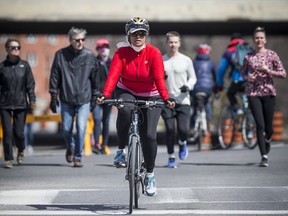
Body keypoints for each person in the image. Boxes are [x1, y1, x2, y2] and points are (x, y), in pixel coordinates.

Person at [97, 17, 175, 196]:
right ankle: (121, 151)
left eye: (142, 33)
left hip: (152, 94)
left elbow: (159, 79)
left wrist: (166, 97)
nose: (138, 36)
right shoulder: (121, 53)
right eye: (134, 33)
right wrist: (105, 94)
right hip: (127, 90)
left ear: (146, 35)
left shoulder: (154, 53)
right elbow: (113, 76)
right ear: (128, 35)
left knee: (148, 135)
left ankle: (150, 174)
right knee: (124, 109)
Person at [49, 27, 100, 168]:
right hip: (66, 99)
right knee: (65, 129)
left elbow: (96, 79)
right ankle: (70, 146)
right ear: (70, 40)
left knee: (81, 127)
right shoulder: (60, 55)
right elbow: (54, 76)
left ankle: (78, 157)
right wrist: (53, 96)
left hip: (84, 99)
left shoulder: (89, 56)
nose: (80, 42)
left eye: (82, 39)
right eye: (77, 40)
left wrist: (95, 96)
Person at [241, 27, 286, 167]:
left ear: (265, 40)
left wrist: (269, 70)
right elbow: (242, 74)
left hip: (269, 93)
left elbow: (283, 73)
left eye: (261, 37)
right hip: (253, 93)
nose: (259, 40)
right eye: (256, 38)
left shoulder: (272, 55)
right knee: (259, 125)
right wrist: (248, 78)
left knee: (268, 128)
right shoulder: (248, 57)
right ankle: (264, 156)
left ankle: (268, 139)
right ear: (253, 41)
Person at [161, 31, 197, 168]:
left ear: (179, 43)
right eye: (170, 42)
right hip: (167, 101)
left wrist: (188, 86)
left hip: (183, 100)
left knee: (183, 130)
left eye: (175, 42)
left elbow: (193, 77)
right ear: (167, 43)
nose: (173, 45)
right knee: (170, 130)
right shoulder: (161, 60)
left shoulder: (186, 60)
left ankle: (182, 143)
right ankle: (171, 157)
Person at [0, 38, 36, 169]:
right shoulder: (2, 67)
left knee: (19, 133)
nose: (16, 50)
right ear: (7, 50)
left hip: (21, 104)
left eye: (18, 47)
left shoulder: (25, 65)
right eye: (13, 47)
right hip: (4, 104)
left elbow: (30, 85)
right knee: (7, 132)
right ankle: (8, 159)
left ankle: (21, 150)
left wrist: (32, 100)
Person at [216, 33, 248, 115]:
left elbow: (221, 69)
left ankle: (237, 110)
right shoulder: (248, 49)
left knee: (230, 93)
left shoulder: (228, 52)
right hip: (251, 79)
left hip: (238, 79)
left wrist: (219, 85)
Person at [190, 44, 217, 140]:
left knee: (194, 106)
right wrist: (216, 89)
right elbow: (216, 77)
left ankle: (192, 126)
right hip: (207, 89)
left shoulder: (193, 63)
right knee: (207, 104)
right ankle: (208, 124)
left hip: (195, 89)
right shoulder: (211, 63)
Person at [91, 38, 112, 155]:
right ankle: (96, 144)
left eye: (106, 47)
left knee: (106, 121)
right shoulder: (94, 62)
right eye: (101, 48)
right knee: (97, 119)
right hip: (96, 96)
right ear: (97, 49)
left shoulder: (111, 62)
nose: (104, 50)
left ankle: (104, 144)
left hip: (108, 97)